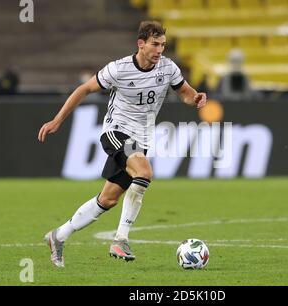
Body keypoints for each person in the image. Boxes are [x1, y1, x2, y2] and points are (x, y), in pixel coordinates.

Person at [38, 21, 207, 268]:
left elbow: (184, 92)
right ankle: (121, 239)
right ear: (141, 44)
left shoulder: (168, 68)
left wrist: (196, 98)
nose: (160, 50)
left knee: (108, 199)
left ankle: (59, 236)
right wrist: (57, 120)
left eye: (163, 45)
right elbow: (84, 89)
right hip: (117, 132)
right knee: (145, 172)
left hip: (142, 139)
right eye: (155, 44)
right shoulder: (119, 69)